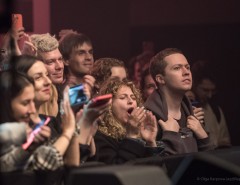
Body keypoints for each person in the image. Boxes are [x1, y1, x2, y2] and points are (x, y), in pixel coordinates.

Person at [144, 48, 213, 155]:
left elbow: (210, 164)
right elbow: (160, 168)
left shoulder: (192, 115)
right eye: (177, 68)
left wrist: (203, 138)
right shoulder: (149, 118)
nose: (186, 72)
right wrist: (170, 135)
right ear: (160, 79)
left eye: (187, 67)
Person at [92, 79, 163, 164]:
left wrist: (151, 142)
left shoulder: (141, 134)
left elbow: (156, 173)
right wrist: (131, 136)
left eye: (133, 98)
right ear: (109, 106)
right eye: (123, 97)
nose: (130, 101)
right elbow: (119, 172)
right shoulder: (100, 137)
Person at [192, 71, 231, 149]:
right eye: (205, 90)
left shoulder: (216, 110)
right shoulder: (184, 110)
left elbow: (225, 141)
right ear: (194, 86)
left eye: (212, 91)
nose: (210, 95)